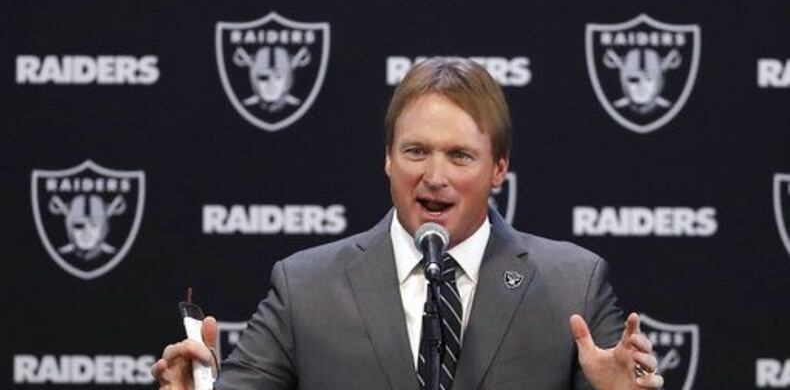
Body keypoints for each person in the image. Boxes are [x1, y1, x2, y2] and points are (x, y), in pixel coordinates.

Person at [152, 57, 664, 390]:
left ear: (499, 169)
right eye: (416, 151)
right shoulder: (304, 288)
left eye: (460, 156)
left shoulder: (573, 284)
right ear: (388, 159)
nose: (434, 177)